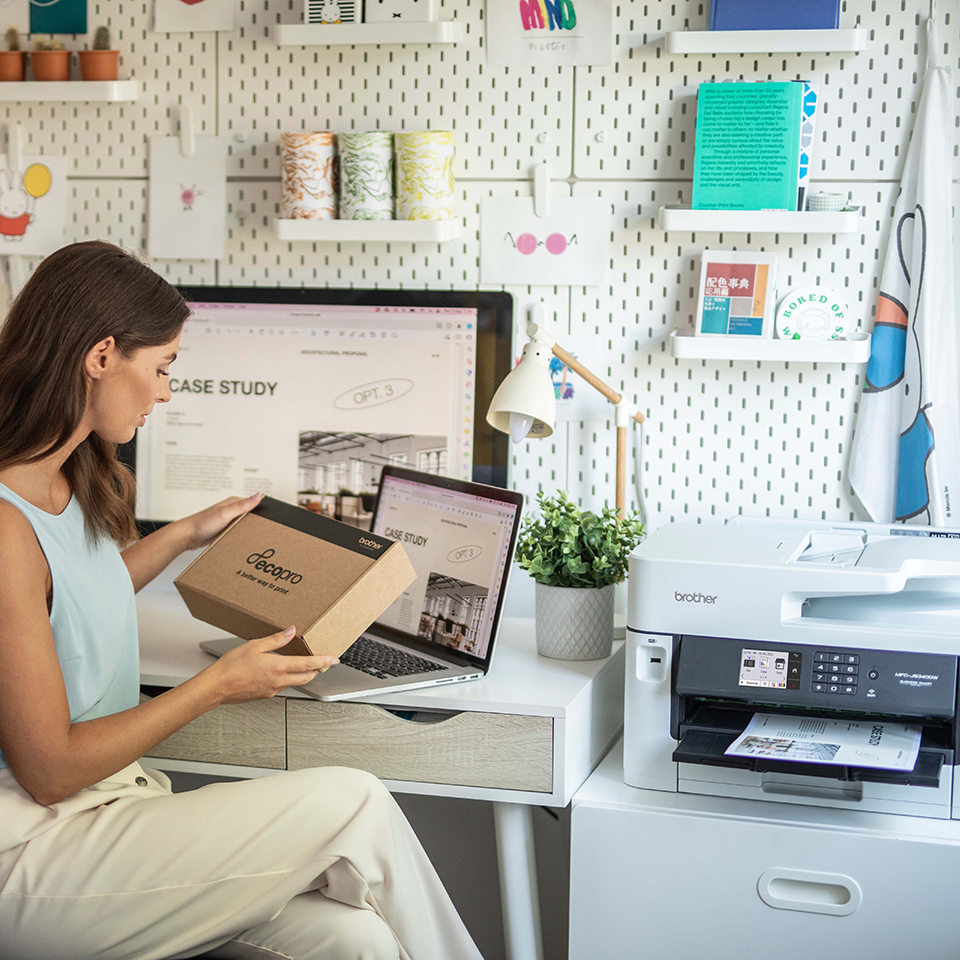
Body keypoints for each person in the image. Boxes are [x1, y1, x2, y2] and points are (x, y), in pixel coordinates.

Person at [0, 241, 485, 960]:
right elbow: (49, 771)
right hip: (36, 852)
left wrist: (188, 534)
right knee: (355, 801)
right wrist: (218, 685)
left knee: (356, 942)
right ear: (101, 355)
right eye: (162, 366)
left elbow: (70, 597)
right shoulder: (4, 525)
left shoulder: (65, 484)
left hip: (112, 812)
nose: (166, 392)